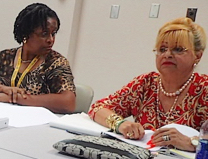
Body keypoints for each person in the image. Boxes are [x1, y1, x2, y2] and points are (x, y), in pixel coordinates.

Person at [89, 17, 207, 152]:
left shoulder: (204, 89)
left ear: (198, 56)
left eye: (178, 49)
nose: (167, 55)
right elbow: (98, 108)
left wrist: (192, 142)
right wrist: (120, 124)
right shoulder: (146, 82)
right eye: (162, 49)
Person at [0, 3, 76, 114]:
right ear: (26, 34)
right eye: (44, 34)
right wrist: (2, 89)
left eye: (53, 33)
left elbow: (68, 102)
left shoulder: (56, 62)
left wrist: (15, 98)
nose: (51, 40)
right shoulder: (3, 57)